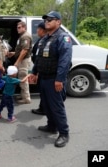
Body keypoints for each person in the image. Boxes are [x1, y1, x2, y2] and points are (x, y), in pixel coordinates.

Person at [29, 11, 72, 147]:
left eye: (50, 19)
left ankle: (64, 133)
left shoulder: (63, 38)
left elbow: (65, 60)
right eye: (46, 19)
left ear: (58, 22)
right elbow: (39, 58)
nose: (47, 21)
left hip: (54, 79)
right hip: (43, 78)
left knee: (56, 107)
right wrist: (34, 72)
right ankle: (51, 126)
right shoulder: (45, 38)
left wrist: (59, 79)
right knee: (46, 105)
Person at [8, 21, 32, 104]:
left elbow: (25, 51)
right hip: (22, 59)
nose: (17, 29)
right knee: (21, 77)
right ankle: (23, 95)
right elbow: (21, 50)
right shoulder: (22, 36)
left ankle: (26, 98)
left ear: (24, 28)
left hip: (23, 60)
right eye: (17, 27)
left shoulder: (25, 37)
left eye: (19, 27)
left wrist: (17, 62)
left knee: (23, 78)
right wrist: (14, 53)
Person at [31, 22, 47, 115]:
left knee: (44, 91)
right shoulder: (41, 40)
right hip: (39, 69)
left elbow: (39, 57)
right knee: (42, 91)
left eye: (38, 29)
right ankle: (42, 108)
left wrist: (36, 71)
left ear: (42, 30)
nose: (37, 31)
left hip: (42, 70)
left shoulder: (44, 40)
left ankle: (44, 109)